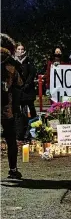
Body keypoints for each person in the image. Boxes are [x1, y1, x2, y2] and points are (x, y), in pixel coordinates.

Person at [1, 33, 24, 179]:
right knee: (10, 138)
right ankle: (13, 169)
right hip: (5, 107)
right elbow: (19, 84)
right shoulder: (12, 64)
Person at [13, 42, 37, 141]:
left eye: (22, 49)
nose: (20, 51)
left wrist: (27, 84)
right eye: (19, 49)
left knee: (31, 110)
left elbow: (32, 73)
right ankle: (20, 132)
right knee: (19, 112)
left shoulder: (29, 61)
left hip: (28, 91)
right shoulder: (13, 62)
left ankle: (33, 130)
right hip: (17, 91)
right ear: (15, 50)